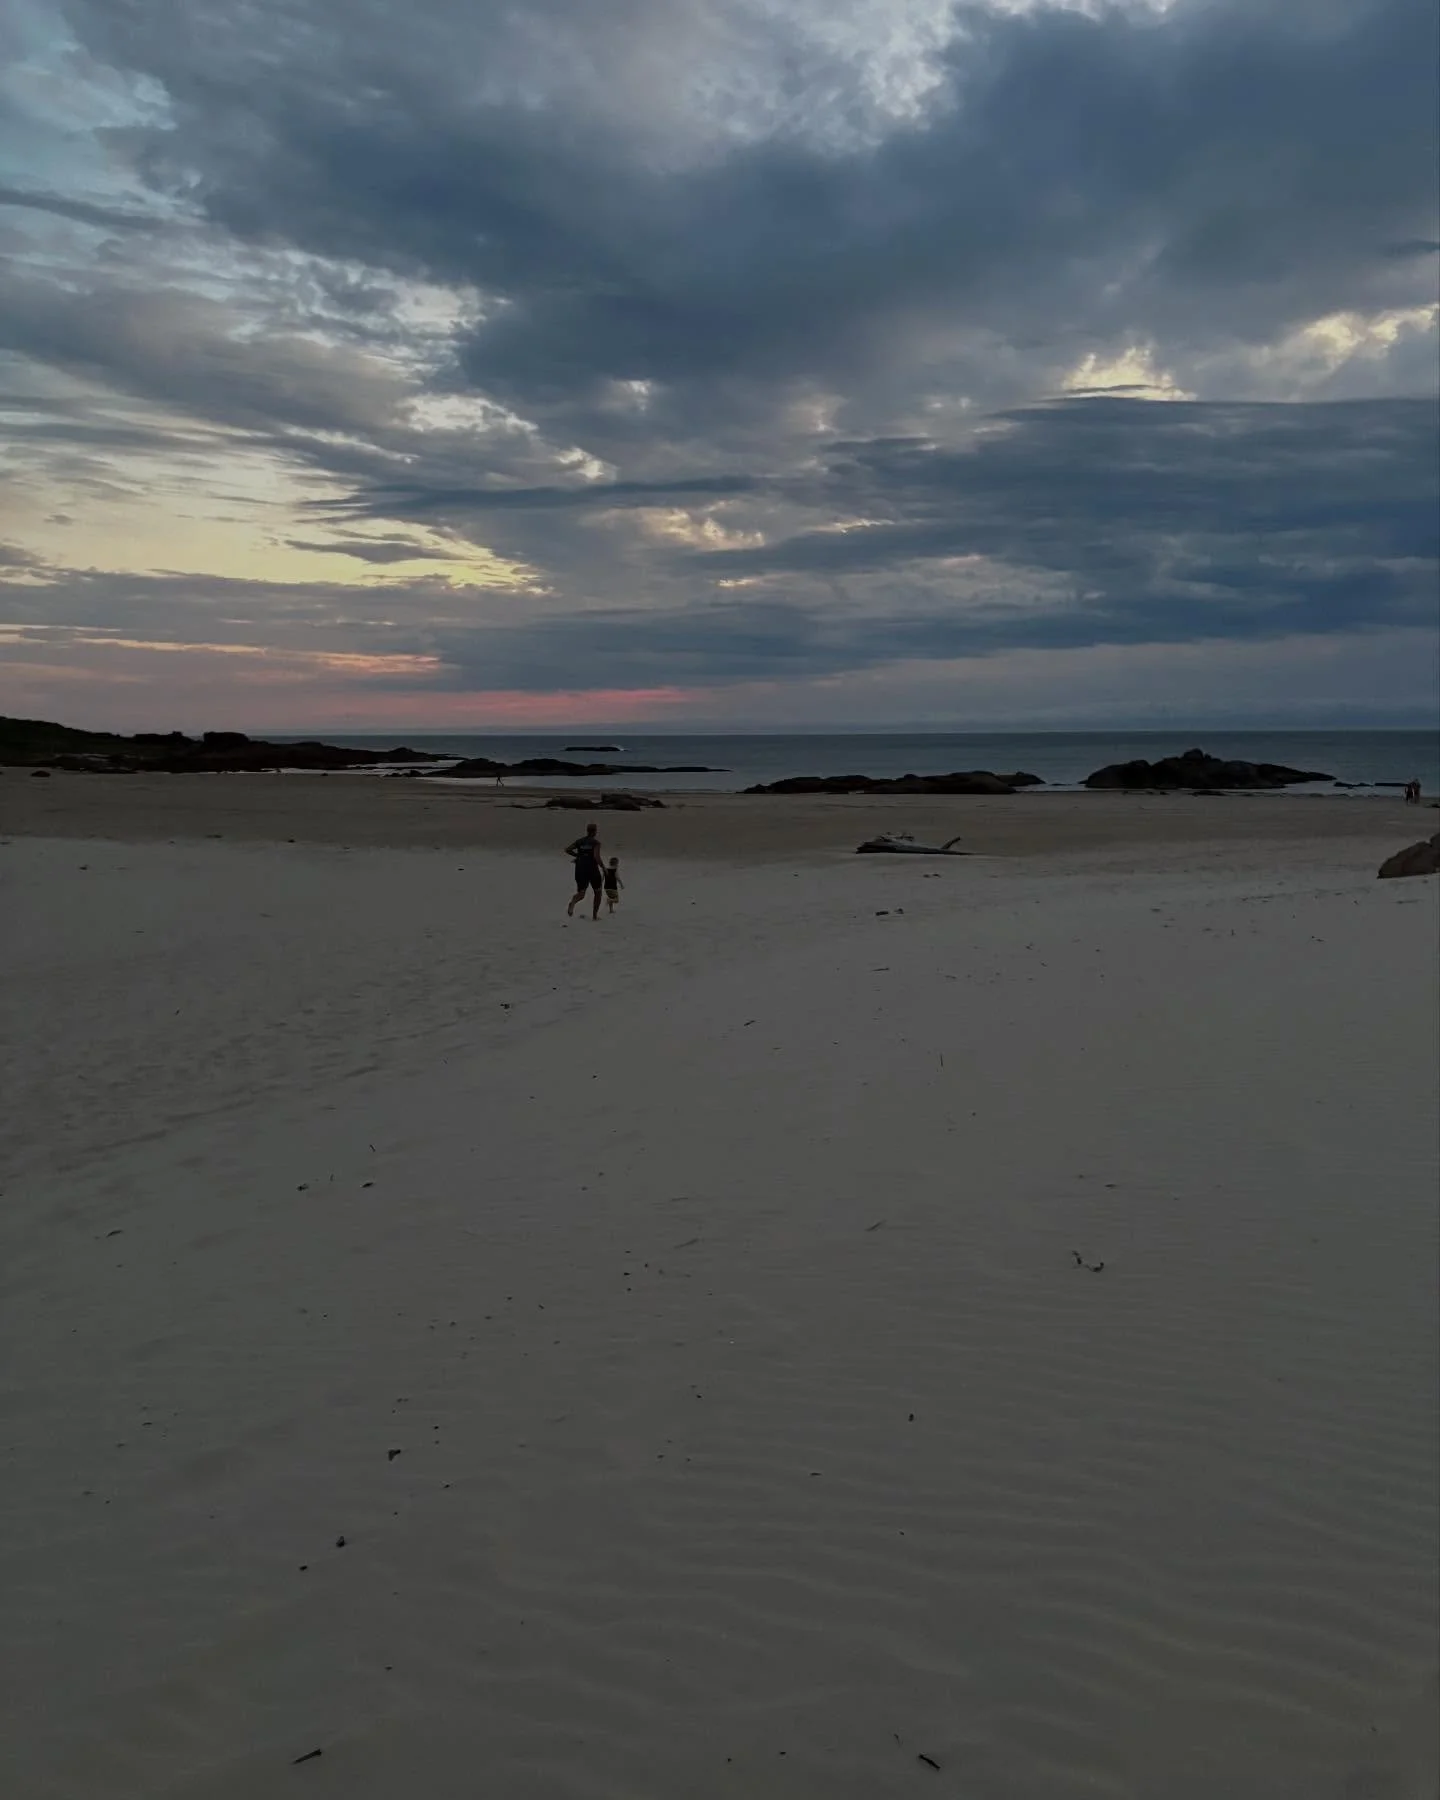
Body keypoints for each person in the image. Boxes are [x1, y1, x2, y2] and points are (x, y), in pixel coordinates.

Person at [566, 822, 604, 919]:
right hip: (592, 869)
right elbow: (596, 857)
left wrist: (578, 856)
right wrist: (603, 868)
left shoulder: (579, 841)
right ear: (595, 831)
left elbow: (568, 849)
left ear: (587, 831)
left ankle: (573, 902)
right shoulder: (596, 843)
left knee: (581, 893)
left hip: (580, 868)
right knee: (598, 892)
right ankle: (595, 916)